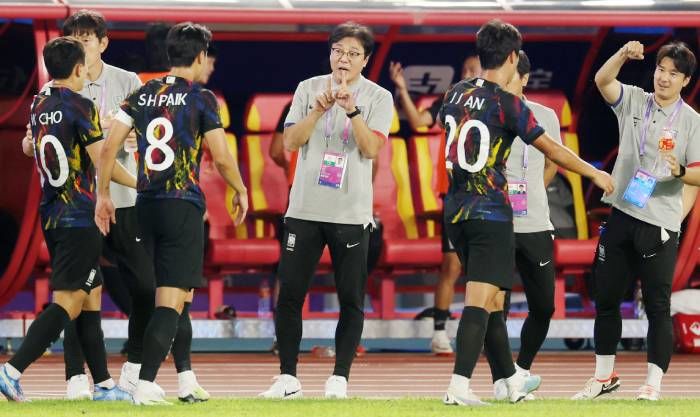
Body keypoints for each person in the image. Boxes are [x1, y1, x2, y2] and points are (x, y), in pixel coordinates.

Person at [440, 20, 614, 406]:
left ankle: (507, 382)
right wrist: (595, 173)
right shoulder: (508, 104)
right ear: (513, 57)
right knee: (479, 301)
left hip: (455, 209)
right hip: (490, 211)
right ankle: (458, 386)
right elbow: (553, 151)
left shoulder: (455, 93)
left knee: (494, 302)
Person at [94, 22, 248, 405]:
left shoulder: (143, 93)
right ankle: (144, 383)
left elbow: (109, 147)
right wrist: (240, 188)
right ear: (199, 57)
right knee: (171, 299)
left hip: (145, 206)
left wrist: (103, 196)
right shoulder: (202, 98)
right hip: (182, 206)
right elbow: (223, 157)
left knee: (177, 298)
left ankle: (185, 380)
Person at [259, 21, 392, 400]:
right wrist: (317, 111)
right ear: (330, 54)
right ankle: (287, 377)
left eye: (353, 53)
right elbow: (290, 141)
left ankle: (340, 378)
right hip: (304, 208)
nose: (344, 59)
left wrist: (352, 113)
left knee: (351, 297)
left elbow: (370, 149)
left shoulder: (379, 97)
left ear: (365, 60)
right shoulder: (307, 88)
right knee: (290, 295)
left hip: (350, 214)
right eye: (338, 51)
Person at [0, 36, 135, 402]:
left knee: (90, 295)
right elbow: (101, 159)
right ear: (78, 69)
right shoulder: (81, 105)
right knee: (70, 301)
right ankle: (11, 370)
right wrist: (141, 183)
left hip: (53, 215)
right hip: (79, 215)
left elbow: (34, 147)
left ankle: (104, 386)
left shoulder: (38, 105)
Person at [573, 41, 700, 401]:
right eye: (661, 69)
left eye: (674, 74)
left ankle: (653, 384)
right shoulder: (634, 99)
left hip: (659, 224)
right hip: (621, 214)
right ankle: (603, 377)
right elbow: (602, 80)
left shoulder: (692, 122)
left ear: (685, 81)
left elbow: (698, 174)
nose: (664, 77)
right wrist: (622, 55)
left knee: (658, 306)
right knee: (607, 300)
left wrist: (678, 172)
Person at [388, 54, 482, 354]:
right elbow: (418, 123)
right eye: (464, 68)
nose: (466, 73)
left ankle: (489, 333)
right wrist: (402, 89)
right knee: (451, 266)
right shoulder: (450, 104)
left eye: (472, 69)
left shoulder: (497, 105)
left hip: (487, 196)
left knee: (486, 269)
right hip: (455, 196)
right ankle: (439, 333)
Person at [488, 50, 561, 400]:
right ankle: (502, 380)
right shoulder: (487, 112)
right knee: (494, 306)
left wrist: (533, 191)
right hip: (497, 224)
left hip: (535, 224)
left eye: (512, 75)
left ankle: (522, 369)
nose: (504, 81)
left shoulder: (546, 115)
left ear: (526, 78)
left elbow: (553, 161)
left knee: (544, 305)